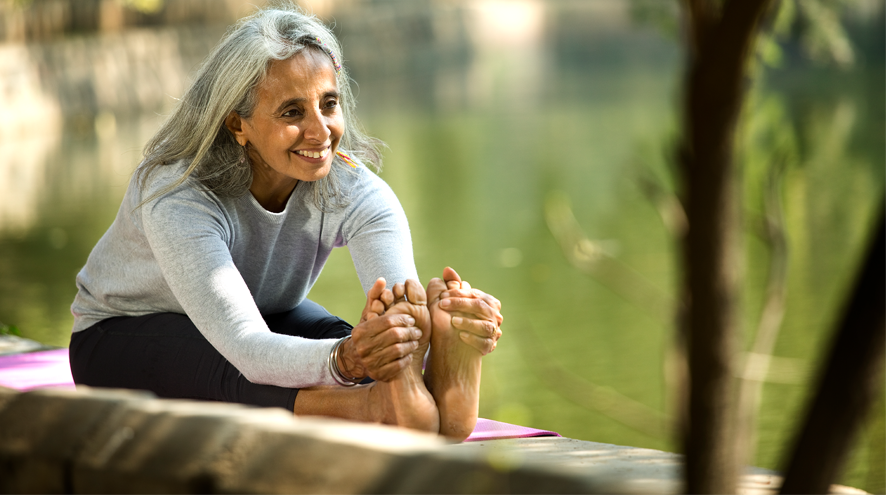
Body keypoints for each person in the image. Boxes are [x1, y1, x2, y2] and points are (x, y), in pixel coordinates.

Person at [68, 4, 502, 441]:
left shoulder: (353, 187)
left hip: (266, 316)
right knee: (242, 369)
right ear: (238, 123)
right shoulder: (178, 192)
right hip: (123, 333)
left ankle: (444, 393)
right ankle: (371, 409)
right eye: (292, 113)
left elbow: (398, 298)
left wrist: (407, 329)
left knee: (354, 341)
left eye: (328, 104)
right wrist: (346, 360)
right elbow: (247, 347)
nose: (321, 132)